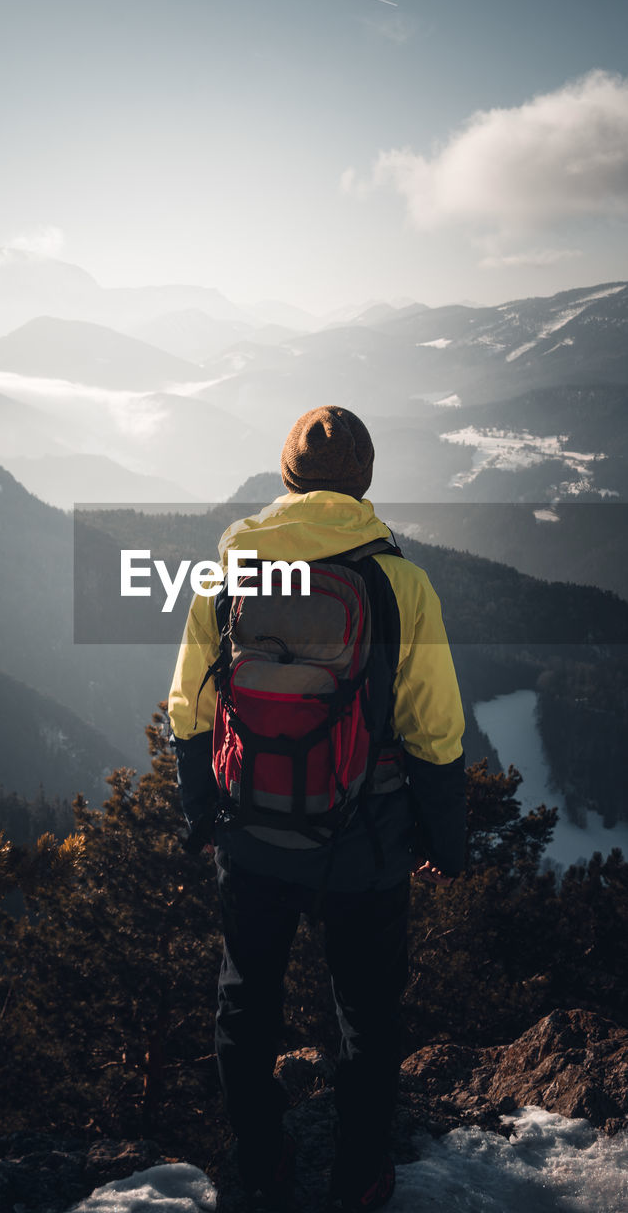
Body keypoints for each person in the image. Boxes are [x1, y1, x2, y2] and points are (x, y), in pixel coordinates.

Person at [168, 406, 466, 1211]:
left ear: (287, 476)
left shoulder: (228, 574)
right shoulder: (397, 583)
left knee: (245, 1000)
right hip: (362, 840)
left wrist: (202, 812)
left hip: (251, 829)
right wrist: (444, 838)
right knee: (365, 1015)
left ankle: (260, 1159)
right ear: (361, 482)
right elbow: (433, 726)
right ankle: (360, 1173)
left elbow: (188, 707)